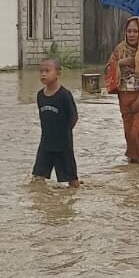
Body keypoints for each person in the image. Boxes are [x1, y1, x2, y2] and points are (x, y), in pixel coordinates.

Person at [105, 16, 139, 164]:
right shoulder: (120, 49)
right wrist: (122, 63)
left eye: (135, 31)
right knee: (129, 135)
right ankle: (135, 168)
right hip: (124, 97)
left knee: (137, 132)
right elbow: (108, 69)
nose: (131, 34)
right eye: (129, 31)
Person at [32, 58, 80, 188]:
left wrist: (63, 133)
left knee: (71, 179)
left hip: (63, 146)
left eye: (47, 71)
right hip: (45, 144)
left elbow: (73, 117)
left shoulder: (64, 95)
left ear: (58, 73)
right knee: (37, 178)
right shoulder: (40, 96)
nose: (43, 74)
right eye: (41, 71)